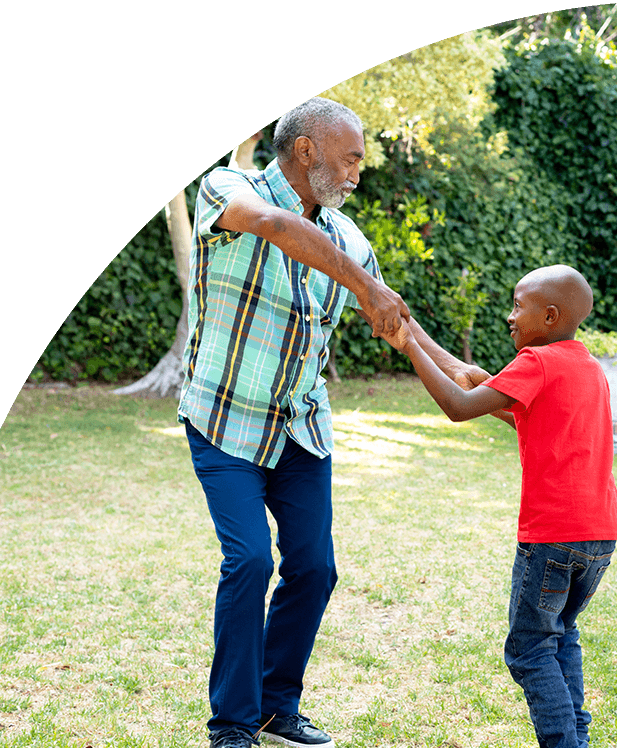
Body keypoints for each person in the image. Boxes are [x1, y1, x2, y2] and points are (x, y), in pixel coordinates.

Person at [177, 97, 491, 748]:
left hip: (300, 427)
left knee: (315, 568)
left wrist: (455, 366)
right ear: (306, 150)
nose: (357, 174)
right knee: (250, 562)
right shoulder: (227, 187)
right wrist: (364, 284)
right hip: (226, 416)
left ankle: (275, 706)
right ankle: (232, 725)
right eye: (351, 159)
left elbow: (392, 317)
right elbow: (274, 224)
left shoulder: (351, 240)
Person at [383, 264, 617, 748]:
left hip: (551, 536)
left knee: (529, 649)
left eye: (518, 306)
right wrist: (439, 351)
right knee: (561, 635)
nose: (510, 317)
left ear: (549, 316)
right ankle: (578, 740)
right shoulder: (589, 367)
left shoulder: (536, 361)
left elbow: (458, 406)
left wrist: (407, 346)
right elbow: (526, 417)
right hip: (599, 536)